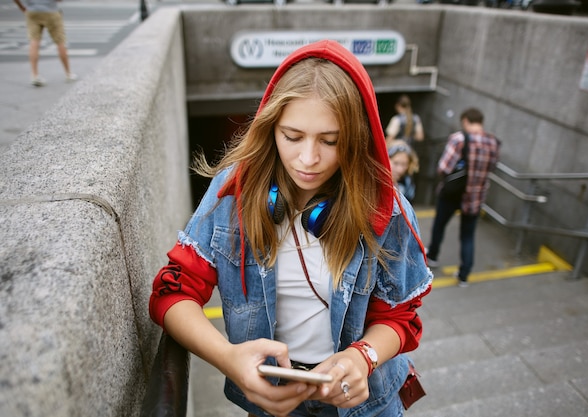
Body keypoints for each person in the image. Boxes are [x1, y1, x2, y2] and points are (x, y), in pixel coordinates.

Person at [149, 40, 432, 417]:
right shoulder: (232, 195)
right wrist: (229, 358)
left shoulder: (387, 211)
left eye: (331, 141)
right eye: (292, 137)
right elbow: (171, 292)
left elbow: (400, 315)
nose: (309, 159)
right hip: (271, 400)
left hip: (364, 403)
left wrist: (363, 356)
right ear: (271, 129)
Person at [425, 108, 500, 287]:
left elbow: (443, 167)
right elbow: (493, 167)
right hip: (475, 196)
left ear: (465, 120)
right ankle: (464, 275)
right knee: (467, 235)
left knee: (440, 225)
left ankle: (433, 256)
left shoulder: (459, 139)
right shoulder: (493, 142)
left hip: (453, 193)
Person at [13, 0, 78, 86]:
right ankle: (68, 73)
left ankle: (35, 75)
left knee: (34, 41)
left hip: (32, 11)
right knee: (60, 42)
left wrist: (21, 6)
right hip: (51, 11)